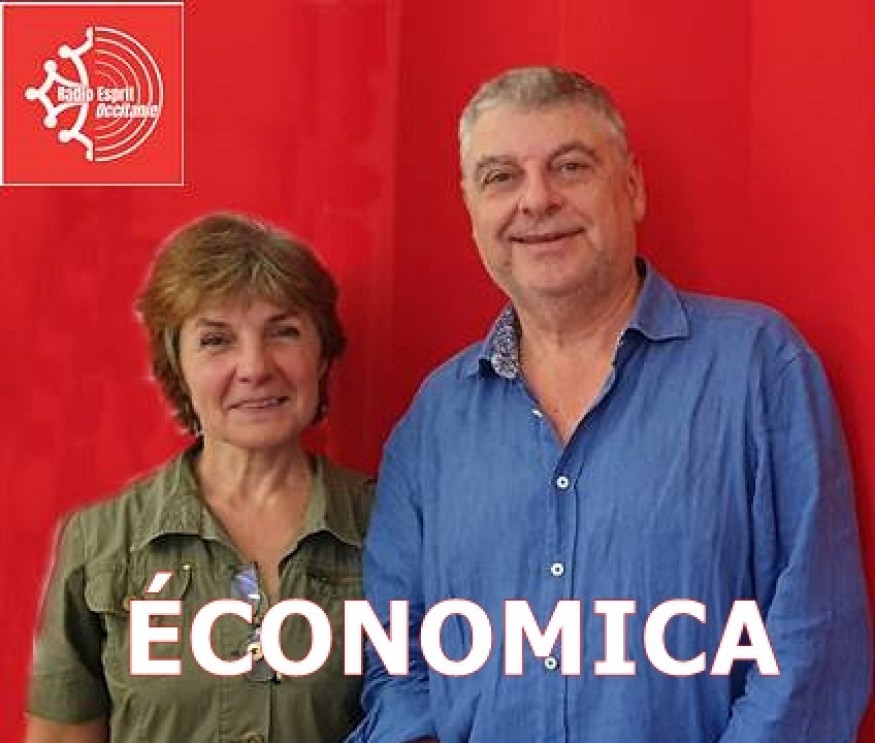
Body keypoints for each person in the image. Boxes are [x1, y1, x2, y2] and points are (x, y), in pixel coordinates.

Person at [350, 66, 871, 742]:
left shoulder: (759, 367)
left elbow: (813, 643)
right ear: (472, 210)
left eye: (569, 167)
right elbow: (396, 658)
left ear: (631, 187)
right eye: (501, 177)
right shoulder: (434, 420)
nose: (535, 200)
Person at [26, 213, 373, 743]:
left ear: (322, 354)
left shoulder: (393, 528)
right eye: (216, 340)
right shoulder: (100, 542)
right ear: (177, 365)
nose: (254, 367)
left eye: (283, 332)